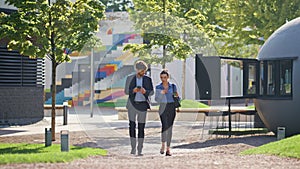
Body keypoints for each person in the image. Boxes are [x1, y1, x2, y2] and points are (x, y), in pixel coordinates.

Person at [125, 60, 154, 156]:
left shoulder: (148, 79)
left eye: (144, 71)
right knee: (132, 126)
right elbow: (126, 91)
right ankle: (133, 148)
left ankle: (140, 149)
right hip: (132, 105)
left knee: (141, 127)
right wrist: (133, 90)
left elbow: (152, 92)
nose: (143, 73)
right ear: (137, 70)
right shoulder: (130, 78)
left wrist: (145, 91)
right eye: (142, 71)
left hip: (143, 105)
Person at [155, 70, 179, 156]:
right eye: (161, 77)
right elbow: (156, 99)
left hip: (171, 107)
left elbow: (177, 97)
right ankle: (163, 146)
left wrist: (176, 96)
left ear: (168, 77)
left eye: (165, 77)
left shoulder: (173, 86)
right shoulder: (158, 87)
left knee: (170, 128)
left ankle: (168, 149)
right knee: (164, 126)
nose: (163, 79)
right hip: (162, 107)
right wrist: (161, 94)